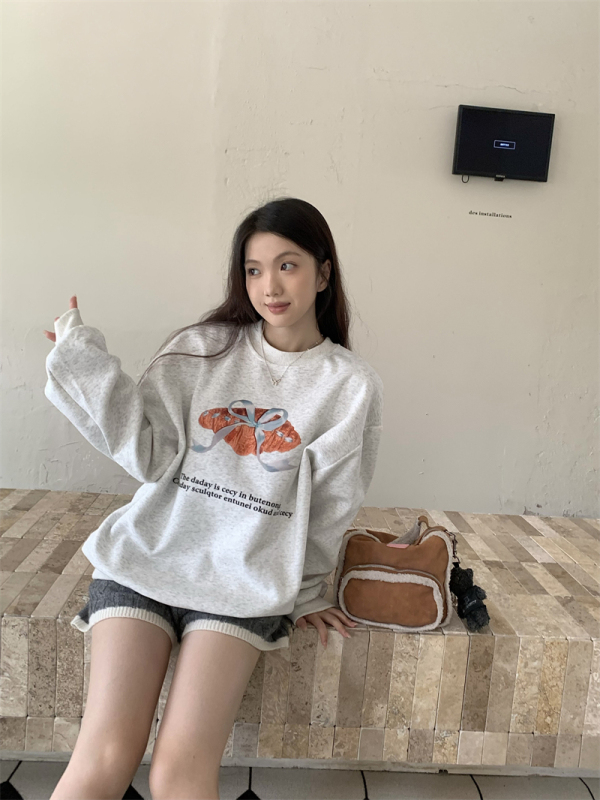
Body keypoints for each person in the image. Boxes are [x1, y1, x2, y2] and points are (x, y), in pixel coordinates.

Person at [43, 196, 384, 800]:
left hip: (242, 582)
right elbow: (147, 454)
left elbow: (333, 504)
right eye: (254, 270)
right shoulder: (202, 349)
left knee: (178, 772)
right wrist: (84, 369)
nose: (269, 286)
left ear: (323, 273)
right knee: (103, 759)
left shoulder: (348, 385)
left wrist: (307, 592)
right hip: (145, 560)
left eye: (287, 265)